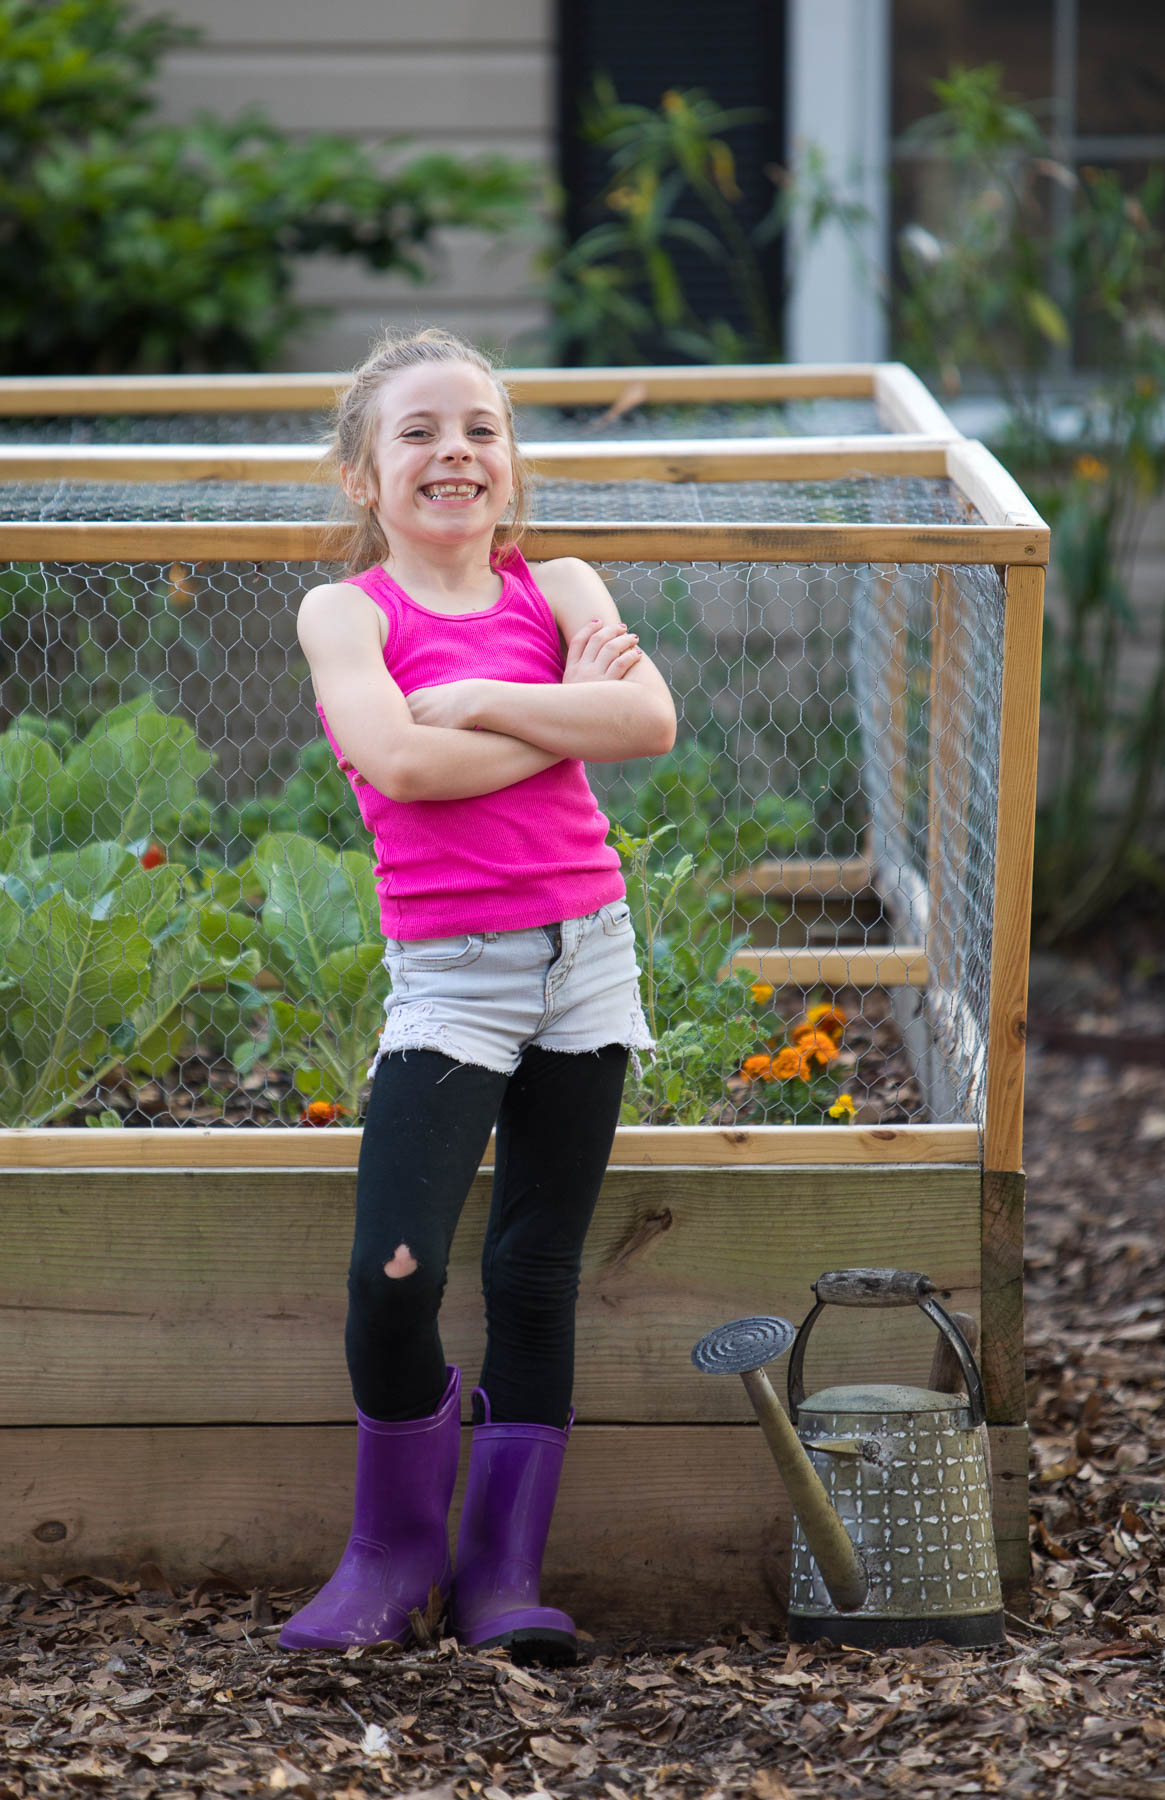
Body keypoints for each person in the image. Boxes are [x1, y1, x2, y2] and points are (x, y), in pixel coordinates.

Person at [280, 328, 676, 1663]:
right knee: (393, 1274)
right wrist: (556, 707)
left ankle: (503, 1577)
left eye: (481, 430)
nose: (454, 451)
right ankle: (391, 1559)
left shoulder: (560, 582)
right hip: (453, 980)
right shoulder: (348, 614)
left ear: (511, 461)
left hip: (587, 958)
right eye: (417, 432)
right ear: (362, 475)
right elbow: (394, 763)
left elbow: (649, 725)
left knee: (535, 1269)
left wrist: (477, 704)